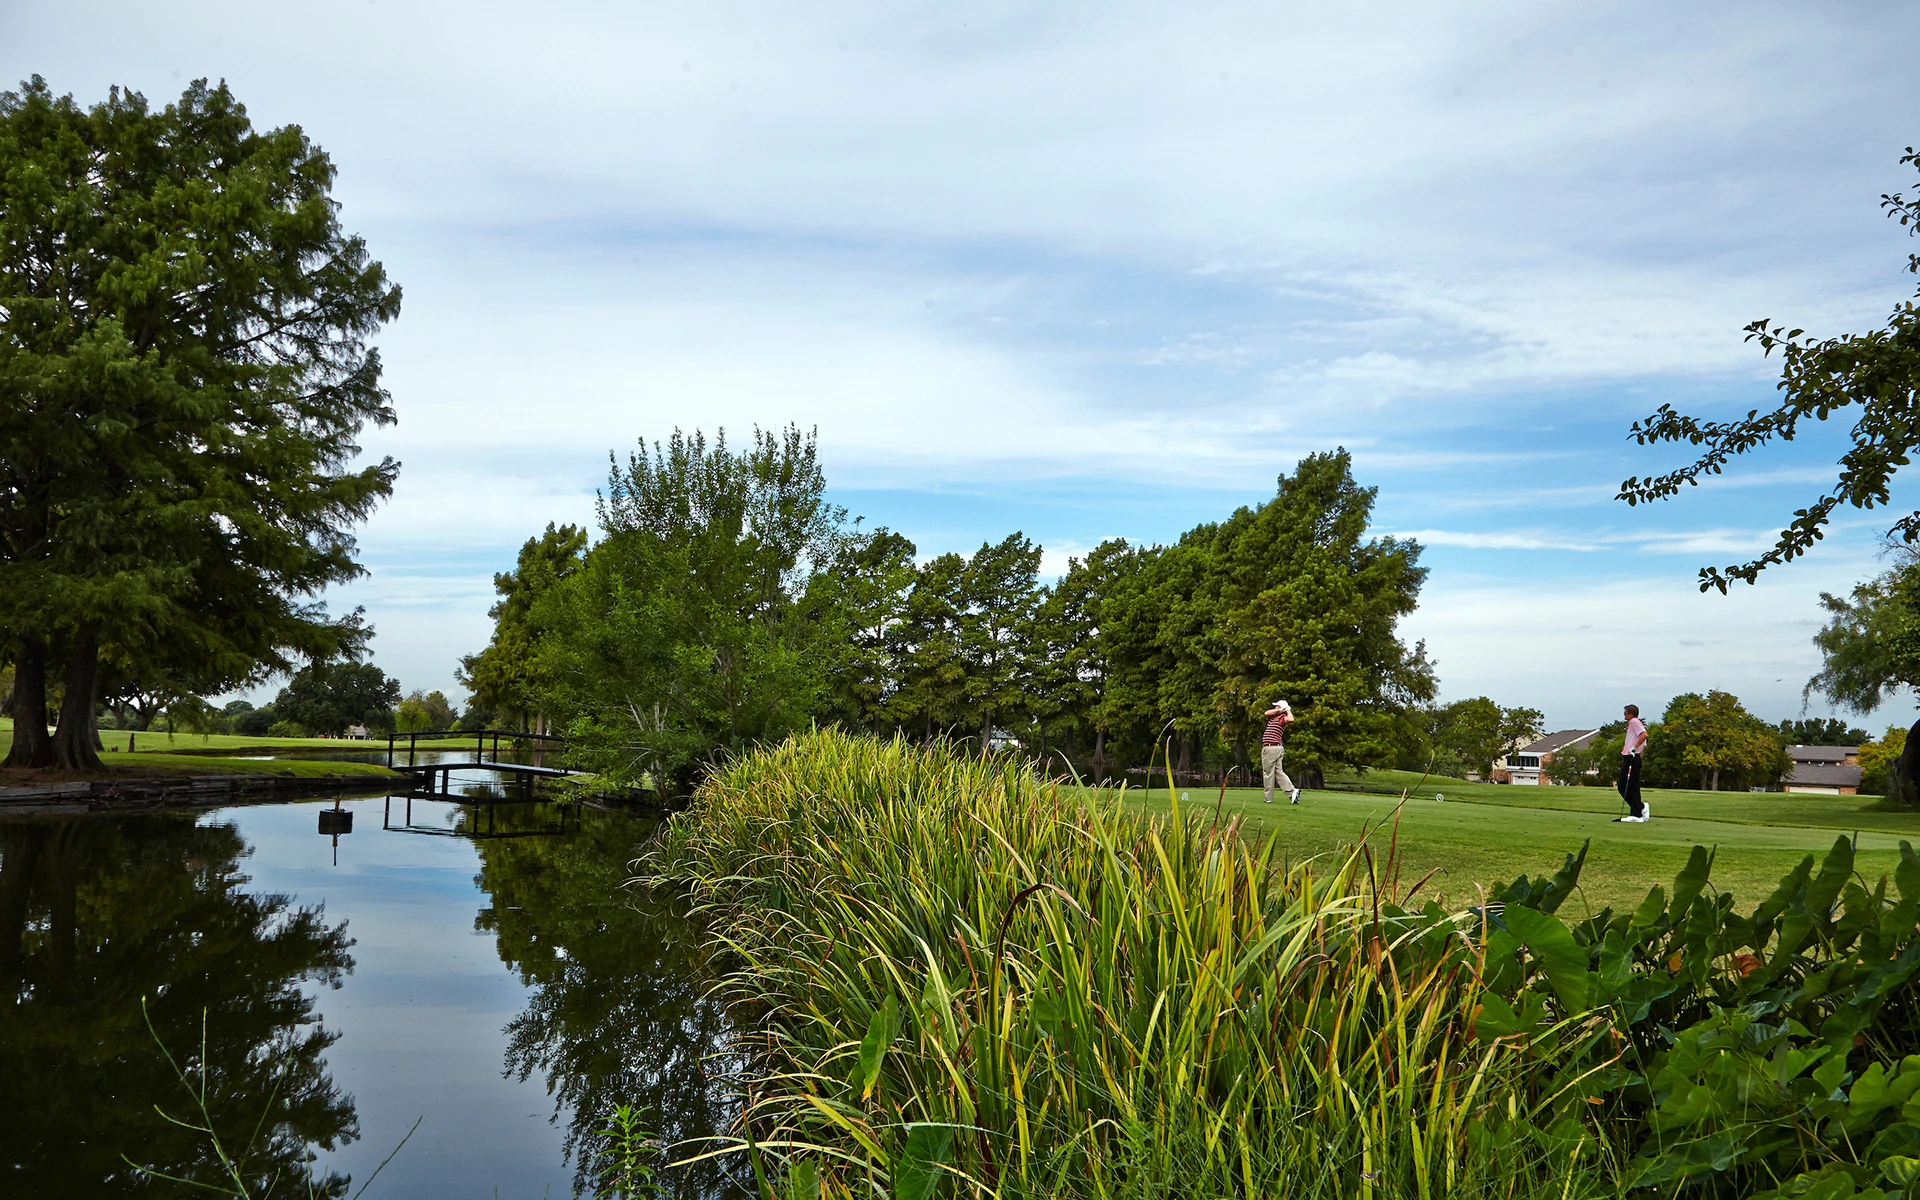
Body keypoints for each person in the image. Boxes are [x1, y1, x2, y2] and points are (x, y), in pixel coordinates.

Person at [1614, 703, 1650, 823]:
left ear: (1630, 714)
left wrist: (1635, 749)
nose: (1624, 716)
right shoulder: (1632, 724)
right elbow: (1643, 742)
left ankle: (1636, 813)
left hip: (1632, 756)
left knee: (1631, 785)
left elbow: (1644, 735)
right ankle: (1640, 808)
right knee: (1623, 786)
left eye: (1625, 713)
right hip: (1630, 756)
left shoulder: (1634, 722)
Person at [1261, 700, 1301, 804]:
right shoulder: (1273, 717)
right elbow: (1266, 713)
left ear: (1280, 707)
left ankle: (1268, 798)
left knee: (1268, 773)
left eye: (1277, 707)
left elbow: (1291, 719)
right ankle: (1292, 792)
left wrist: (1287, 710)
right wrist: (1280, 709)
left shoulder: (1282, 718)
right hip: (1276, 748)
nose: (1275, 708)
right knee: (1279, 772)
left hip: (1271, 748)